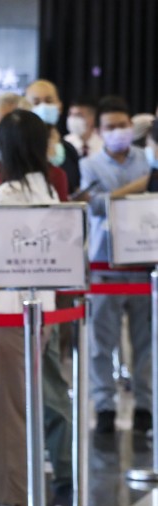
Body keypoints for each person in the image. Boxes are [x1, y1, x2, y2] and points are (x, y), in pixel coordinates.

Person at [0, 109, 69, 506]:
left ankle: (9, 501)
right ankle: (20, 493)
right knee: (22, 402)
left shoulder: (7, 194)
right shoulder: (47, 188)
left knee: (5, 408)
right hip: (40, 308)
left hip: (8, 310)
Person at [80, 95, 153, 435]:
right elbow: (92, 206)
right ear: (99, 130)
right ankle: (105, 405)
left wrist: (118, 196)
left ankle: (145, 406)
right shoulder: (89, 164)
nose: (118, 132)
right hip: (104, 265)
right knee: (101, 344)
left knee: (147, 343)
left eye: (123, 126)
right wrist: (137, 189)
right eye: (110, 127)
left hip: (144, 264)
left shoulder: (148, 158)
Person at [25, 79, 80, 191]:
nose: (43, 106)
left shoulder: (69, 150)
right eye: (36, 103)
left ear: (59, 106)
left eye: (49, 101)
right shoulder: (21, 149)